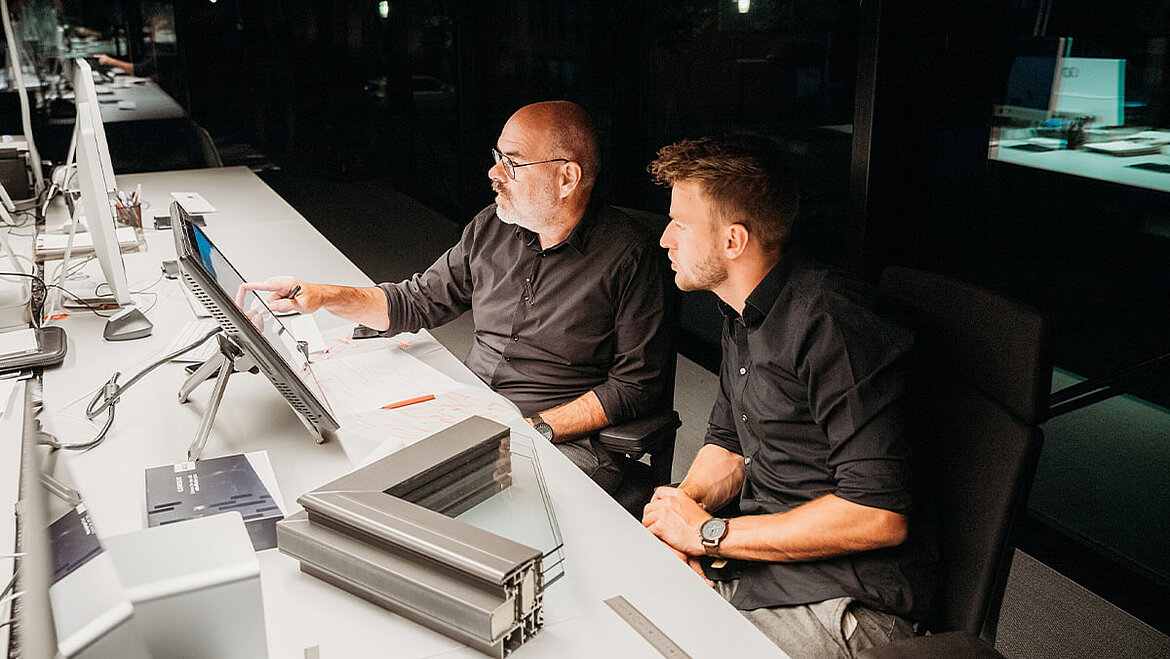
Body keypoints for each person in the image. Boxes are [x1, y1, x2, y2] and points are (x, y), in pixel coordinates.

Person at [241, 101, 672, 495]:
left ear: (567, 178)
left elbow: (634, 387)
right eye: (497, 157)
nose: (494, 173)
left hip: (560, 437)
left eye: (512, 163)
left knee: (435, 499)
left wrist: (532, 428)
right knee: (349, 456)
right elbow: (417, 301)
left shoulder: (630, 258)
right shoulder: (491, 228)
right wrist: (321, 295)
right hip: (472, 409)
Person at [642, 135, 933, 658]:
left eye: (679, 224)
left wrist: (709, 533)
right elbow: (729, 444)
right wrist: (681, 513)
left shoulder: (830, 322)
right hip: (762, 565)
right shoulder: (740, 312)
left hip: (848, 599)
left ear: (733, 241)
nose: (665, 239)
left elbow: (877, 514)